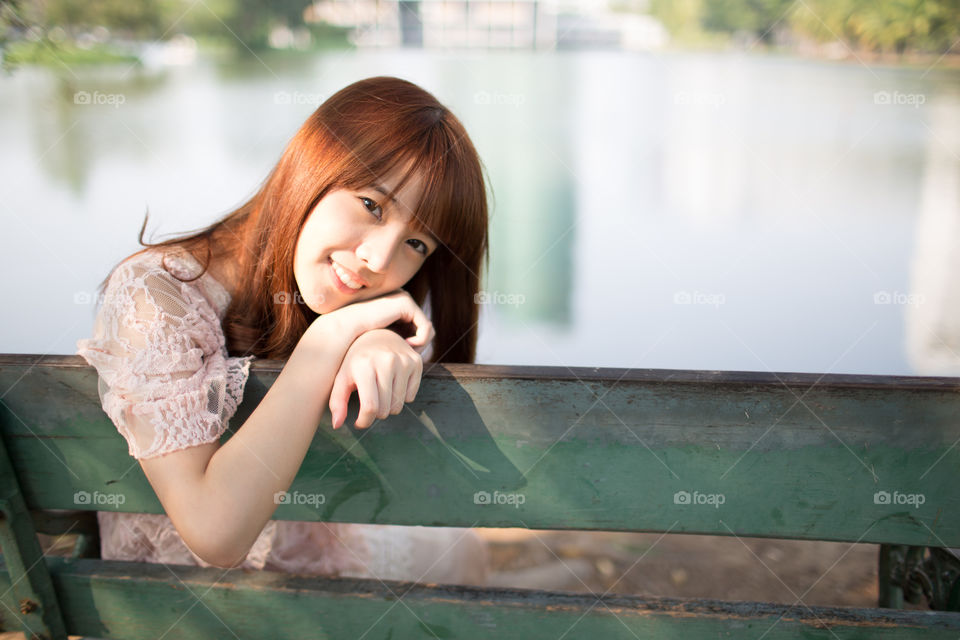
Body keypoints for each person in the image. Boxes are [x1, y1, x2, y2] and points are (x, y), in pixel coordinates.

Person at [75, 76, 490, 586]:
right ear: (312, 167)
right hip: (180, 598)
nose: (378, 259)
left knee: (465, 551)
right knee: (462, 555)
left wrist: (372, 335)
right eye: (372, 205)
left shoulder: (335, 294)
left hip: (296, 564)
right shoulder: (155, 296)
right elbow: (215, 536)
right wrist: (329, 342)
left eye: (417, 245)